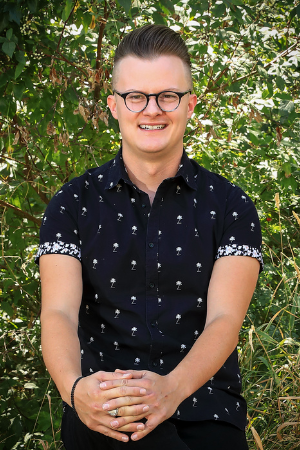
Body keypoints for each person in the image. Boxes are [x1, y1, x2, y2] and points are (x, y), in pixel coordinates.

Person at [36, 24, 263, 450]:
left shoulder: (232, 206)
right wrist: (73, 390)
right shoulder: (71, 204)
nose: (152, 109)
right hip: (105, 409)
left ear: (190, 104)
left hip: (206, 407)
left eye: (168, 96)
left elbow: (225, 322)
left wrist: (171, 391)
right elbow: (59, 314)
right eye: (136, 96)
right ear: (114, 106)